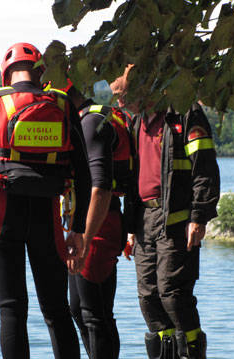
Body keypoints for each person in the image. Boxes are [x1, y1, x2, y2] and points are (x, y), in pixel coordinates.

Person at [0, 42, 91, 359]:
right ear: (41, 73)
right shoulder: (61, 104)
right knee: (57, 310)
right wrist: (78, 228)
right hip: (47, 214)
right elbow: (84, 174)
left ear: (7, 73)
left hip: (4, 213)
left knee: (12, 310)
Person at [110, 65, 220, 359]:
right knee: (148, 296)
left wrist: (199, 217)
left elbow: (205, 168)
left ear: (143, 87)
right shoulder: (136, 124)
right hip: (144, 219)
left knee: (172, 293)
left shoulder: (184, 115)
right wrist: (130, 228)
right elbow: (134, 180)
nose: (119, 103)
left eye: (122, 95)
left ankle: (192, 352)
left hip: (177, 218)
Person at [64, 83, 137, 359]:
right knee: (78, 308)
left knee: (96, 314)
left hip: (98, 222)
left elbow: (100, 187)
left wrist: (83, 235)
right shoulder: (99, 116)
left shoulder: (92, 121)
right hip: (91, 220)